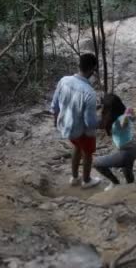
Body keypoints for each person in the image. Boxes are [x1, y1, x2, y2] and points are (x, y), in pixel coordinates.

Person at [51, 53, 101, 189]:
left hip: (67, 126)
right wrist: (101, 122)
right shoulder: (89, 93)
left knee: (77, 147)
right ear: (92, 69)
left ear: (79, 65)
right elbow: (89, 122)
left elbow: (55, 104)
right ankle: (86, 180)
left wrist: (56, 121)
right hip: (81, 131)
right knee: (87, 153)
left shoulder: (64, 80)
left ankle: (74, 177)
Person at [94, 94, 136, 192]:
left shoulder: (121, 119)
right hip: (132, 149)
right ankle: (131, 186)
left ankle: (115, 183)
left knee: (96, 163)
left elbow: (124, 121)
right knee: (127, 169)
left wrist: (128, 115)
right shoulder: (115, 117)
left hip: (126, 152)